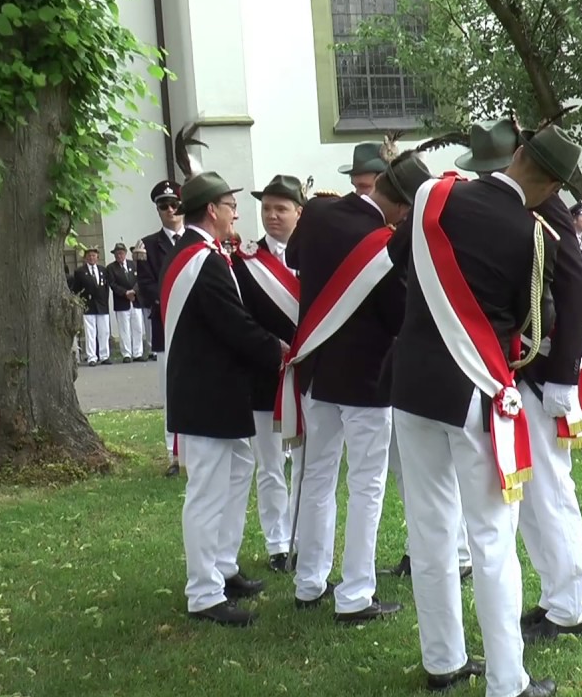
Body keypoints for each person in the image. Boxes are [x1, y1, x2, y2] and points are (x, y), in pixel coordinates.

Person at [391, 125, 577, 697]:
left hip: (413, 384)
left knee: (429, 529)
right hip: (476, 388)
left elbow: (400, 259)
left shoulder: (433, 196)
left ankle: (442, 660)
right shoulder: (533, 235)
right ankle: (506, 683)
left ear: (516, 155)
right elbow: (532, 323)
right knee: (492, 539)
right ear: (551, 185)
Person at [452, 118, 582, 643]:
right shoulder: (510, 204)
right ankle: (558, 598)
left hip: (542, 369)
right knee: (530, 492)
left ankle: (572, 606)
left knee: (550, 491)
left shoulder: (542, 206)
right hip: (518, 369)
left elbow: (576, 284)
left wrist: (561, 376)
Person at [282, 151, 428, 622]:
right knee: (366, 485)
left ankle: (309, 582)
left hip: (317, 370)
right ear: (402, 206)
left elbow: (293, 256)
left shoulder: (320, 210)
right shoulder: (385, 245)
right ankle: (356, 594)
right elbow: (397, 316)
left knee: (318, 477)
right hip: (367, 380)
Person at [164, 171, 286, 627]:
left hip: (216, 392)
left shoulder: (201, 254)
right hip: (206, 395)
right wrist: (276, 349)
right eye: (231, 204)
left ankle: (223, 566)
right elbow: (232, 323)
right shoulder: (202, 259)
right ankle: (203, 592)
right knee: (207, 492)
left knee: (238, 470)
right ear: (212, 210)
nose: (237, 211)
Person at [231, 174, 304, 571]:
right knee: (271, 465)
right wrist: (271, 349)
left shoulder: (317, 254)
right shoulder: (245, 261)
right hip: (265, 375)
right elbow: (239, 317)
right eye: (266, 208)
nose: (272, 216)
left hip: (308, 375)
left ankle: (304, 535)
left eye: (281, 208)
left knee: (308, 464)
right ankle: (278, 543)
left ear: (299, 212)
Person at [139, 180, 185, 476]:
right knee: (171, 392)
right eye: (163, 206)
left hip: (200, 330)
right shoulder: (148, 245)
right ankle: (174, 454)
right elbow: (146, 287)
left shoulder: (195, 239)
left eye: (175, 204)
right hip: (166, 327)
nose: (170, 210)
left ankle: (198, 449)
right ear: (157, 210)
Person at [70, 247, 111, 366]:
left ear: (97, 257)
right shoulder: (80, 271)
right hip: (89, 305)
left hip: (102, 305)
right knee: (90, 332)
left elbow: (106, 288)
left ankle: (104, 355)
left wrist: (105, 301)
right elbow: (76, 289)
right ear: (85, 258)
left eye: (94, 255)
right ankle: (92, 357)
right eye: (89, 256)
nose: (91, 258)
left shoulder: (103, 270)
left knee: (104, 331)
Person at [106, 242, 144, 363]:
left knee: (137, 327)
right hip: (122, 302)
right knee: (124, 329)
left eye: (121, 253)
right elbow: (112, 284)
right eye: (117, 254)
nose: (119, 256)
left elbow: (140, 279)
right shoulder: (111, 268)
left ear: (125, 253)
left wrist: (134, 291)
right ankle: (126, 353)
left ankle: (138, 352)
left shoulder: (133, 265)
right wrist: (125, 293)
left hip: (135, 300)